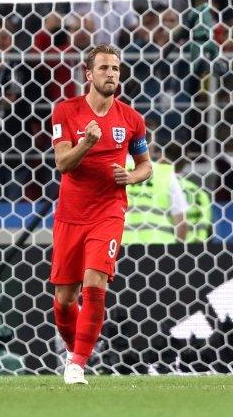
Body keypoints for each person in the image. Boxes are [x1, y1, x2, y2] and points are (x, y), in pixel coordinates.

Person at [50, 44, 152, 385]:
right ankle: (73, 352)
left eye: (116, 69)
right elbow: (63, 163)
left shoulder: (131, 119)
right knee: (64, 301)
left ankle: (78, 364)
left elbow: (145, 166)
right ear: (89, 74)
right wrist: (87, 144)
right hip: (70, 213)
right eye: (105, 68)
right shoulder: (65, 111)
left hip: (109, 210)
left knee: (95, 282)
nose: (112, 74)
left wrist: (131, 176)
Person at [123, 143, 189, 245]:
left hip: (121, 243)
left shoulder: (114, 169)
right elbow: (181, 220)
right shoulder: (163, 172)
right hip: (160, 245)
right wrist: (179, 252)